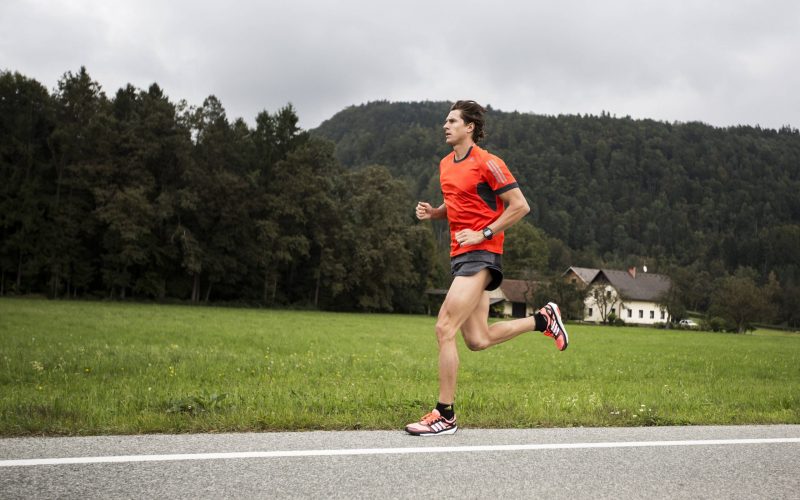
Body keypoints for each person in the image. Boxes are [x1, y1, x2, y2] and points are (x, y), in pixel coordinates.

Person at [405, 100, 569, 436]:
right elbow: (459, 205)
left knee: (444, 328)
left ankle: (444, 414)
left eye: (452, 121)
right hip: (460, 256)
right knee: (477, 340)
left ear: (470, 127)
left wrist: (484, 232)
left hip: (482, 254)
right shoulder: (445, 165)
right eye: (445, 121)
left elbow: (519, 206)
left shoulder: (489, 163)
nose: (445, 126)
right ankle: (543, 319)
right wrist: (435, 213)